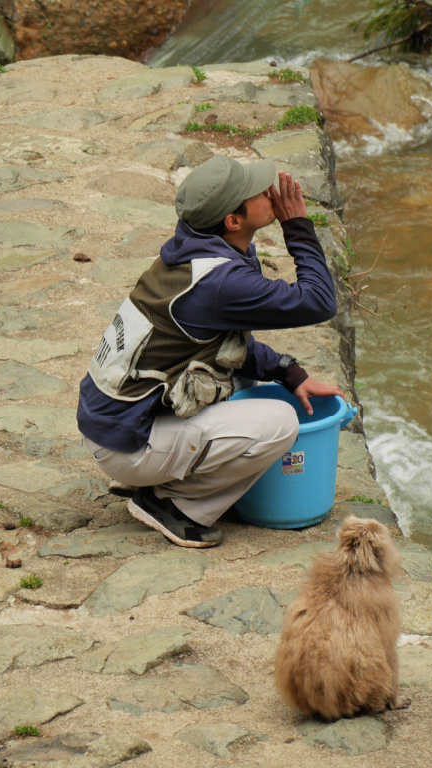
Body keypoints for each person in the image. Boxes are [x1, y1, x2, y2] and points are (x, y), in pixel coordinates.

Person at [78, 155, 343, 548]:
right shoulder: (219, 282)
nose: (270, 192)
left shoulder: (199, 251)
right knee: (280, 423)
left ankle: (163, 474)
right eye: (256, 191)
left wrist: (290, 373)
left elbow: (226, 343)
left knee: (241, 379)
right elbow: (319, 301)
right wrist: (297, 226)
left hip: (117, 424)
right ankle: (174, 503)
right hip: (126, 443)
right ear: (233, 221)